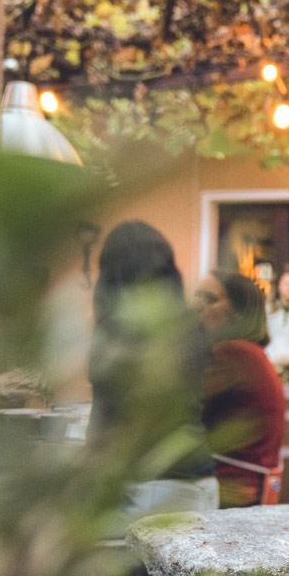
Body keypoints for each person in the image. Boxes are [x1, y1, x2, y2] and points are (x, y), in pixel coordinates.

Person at [88, 221, 218, 530]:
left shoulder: (123, 328)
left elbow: (114, 412)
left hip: (150, 485)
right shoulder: (187, 323)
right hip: (196, 480)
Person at [193, 270, 286, 508]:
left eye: (209, 299)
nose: (196, 306)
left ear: (239, 314)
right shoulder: (251, 354)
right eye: (196, 297)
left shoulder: (233, 353)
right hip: (248, 493)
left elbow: (176, 408)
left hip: (231, 496)